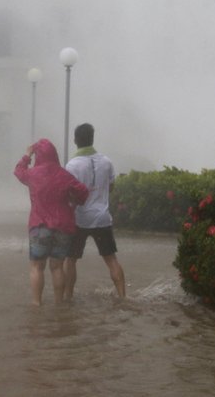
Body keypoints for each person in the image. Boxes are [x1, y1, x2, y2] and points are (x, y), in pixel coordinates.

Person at [14, 138, 89, 306]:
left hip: (39, 226)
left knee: (36, 267)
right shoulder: (65, 175)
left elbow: (18, 171)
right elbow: (83, 192)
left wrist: (27, 156)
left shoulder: (32, 174)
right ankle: (58, 304)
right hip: (63, 227)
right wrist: (74, 201)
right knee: (57, 267)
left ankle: (36, 304)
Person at [63, 123, 126, 300]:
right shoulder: (106, 162)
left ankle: (68, 297)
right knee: (111, 259)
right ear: (92, 138)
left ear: (75, 140)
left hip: (79, 219)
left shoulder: (72, 165)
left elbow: (69, 193)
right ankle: (123, 297)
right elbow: (111, 186)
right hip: (102, 218)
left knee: (71, 259)